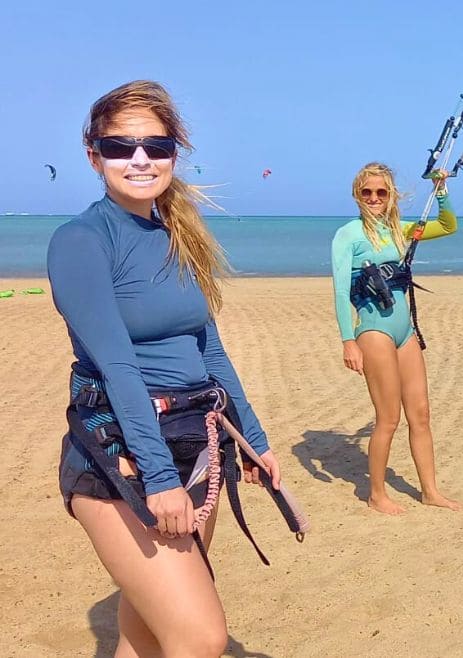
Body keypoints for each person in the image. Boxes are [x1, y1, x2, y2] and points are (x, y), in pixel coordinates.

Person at [48, 80, 281, 657]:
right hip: (122, 451)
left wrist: (253, 439)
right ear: (93, 154)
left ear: (176, 151)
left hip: (195, 439)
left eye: (156, 144)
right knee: (201, 638)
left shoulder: (178, 235)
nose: (140, 158)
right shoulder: (81, 240)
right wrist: (157, 479)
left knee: (146, 633)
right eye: (120, 145)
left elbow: (210, 350)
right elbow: (119, 365)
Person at [331, 163, 461, 515]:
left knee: (421, 414)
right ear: (357, 195)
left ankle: (430, 491)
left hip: (407, 334)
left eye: (381, 192)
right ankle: (376, 494)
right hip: (374, 333)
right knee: (388, 418)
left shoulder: (401, 231)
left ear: (391, 197)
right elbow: (342, 291)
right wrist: (348, 340)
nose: (374, 198)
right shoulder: (349, 235)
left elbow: (449, 225)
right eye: (367, 192)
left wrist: (441, 188)